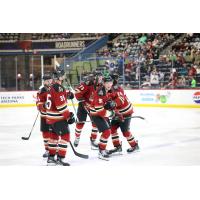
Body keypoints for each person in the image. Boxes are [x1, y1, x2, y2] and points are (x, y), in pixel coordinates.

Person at [46, 69, 75, 166]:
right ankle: (60, 157)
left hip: (50, 118)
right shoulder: (59, 88)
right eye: (63, 75)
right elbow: (60, 106)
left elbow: (57, 97)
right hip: (58, 118)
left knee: (54, 137)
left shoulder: (52, 87)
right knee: (65, 136)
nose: (64, 76)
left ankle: (51, 158)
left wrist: (67, 94)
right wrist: (68, 116)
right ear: (59, 77)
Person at [90, 75, 120, 160]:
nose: (109, 84)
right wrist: (112, 114)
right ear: (103, 83)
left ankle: (101, 148)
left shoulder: (107, 90)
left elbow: (105, 104)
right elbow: (100, 110)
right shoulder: (101, 92)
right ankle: (101, 151)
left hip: (100, 113)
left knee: (108, 131)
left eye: (110, 82)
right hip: (96, 114)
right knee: (106, 132)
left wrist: (115, 111)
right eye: (107, 83)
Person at [108, 73, 139, 155]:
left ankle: (134, 145)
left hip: (126, 112)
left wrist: (112, 106)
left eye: (109, 80)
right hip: (118, 113)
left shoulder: (117, 88)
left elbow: (120, 100)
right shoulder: (110, 88)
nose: (107, 82)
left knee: (125, 131)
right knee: (112, 129)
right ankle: (117, 147)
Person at [73, 72, 103, 149]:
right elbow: (77, 92)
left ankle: (93, 140)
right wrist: (83, 101)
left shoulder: (100, 86)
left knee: (95, 123)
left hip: (93, 107)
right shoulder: (88, 84)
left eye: (101, 78)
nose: (100, 79)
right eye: (99, 78)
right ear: (95, 78)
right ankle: (77, 138)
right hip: (83, 106)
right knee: (80, 123)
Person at [36, 72, 53, 158]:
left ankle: (54, 149)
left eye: (49, 80)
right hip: (44, 116)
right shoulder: (41, 91)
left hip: (54, 115)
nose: (48, 82)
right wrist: (42, 105)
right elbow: (38, 103)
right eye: (46, 80)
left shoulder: (55, 88)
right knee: (46, 133)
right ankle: (47, 150)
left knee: (54, 133)